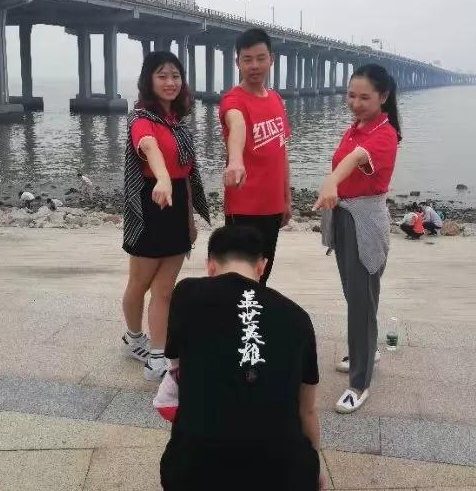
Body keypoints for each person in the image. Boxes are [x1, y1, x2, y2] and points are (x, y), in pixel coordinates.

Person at [159, 225, 323, 491]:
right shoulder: (298, 318)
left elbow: (176, 367)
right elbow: (307, 410)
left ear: (210, 266)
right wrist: (314, 468)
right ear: (262, 267)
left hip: (193, 471)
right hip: (285, 474)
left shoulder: (186, 294)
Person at [313, 64, 401, 414]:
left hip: (364, 222)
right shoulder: (356, 127)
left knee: (362, 299)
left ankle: (359, 383)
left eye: (365, 97)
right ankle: (367, 349)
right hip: (343, 217)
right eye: (351, 95)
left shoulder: (385, 134)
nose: (356, 103)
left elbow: (356, 158)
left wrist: (330, 182)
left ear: (384, 97)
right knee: (355, 294)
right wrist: (334, 187)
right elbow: (349, 157)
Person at [122, 51, 210, 381]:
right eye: (162, 75)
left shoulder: (179, 124)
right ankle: (134, 339)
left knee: (164, 290)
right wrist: (161, 178)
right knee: (139, 283)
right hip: (148, 207)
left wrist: (189, 221)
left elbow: (184, 176)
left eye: (175, 76)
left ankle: (157, 355)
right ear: (149, 80)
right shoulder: (140, 118)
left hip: (176, 207)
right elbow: (149, 147)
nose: (170, 82)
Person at [219, 28, 291, 285]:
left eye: (260, 58)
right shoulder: (233, 100)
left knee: (261, 275)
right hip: (243, 208)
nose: (254, 66)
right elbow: (236, 125)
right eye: (247, 59)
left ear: (271, 59)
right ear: (237, 62)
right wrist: (236, 161)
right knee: (239, 280)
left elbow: (282, 151)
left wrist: (286, 198)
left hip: (273, 207)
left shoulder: (276, 99)